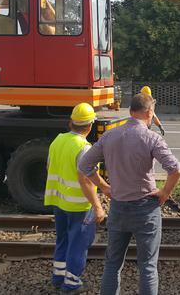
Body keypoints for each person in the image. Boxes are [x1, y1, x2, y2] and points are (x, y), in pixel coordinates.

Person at [78, 93, 180, 295]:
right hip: (146, 209)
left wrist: (105, 187)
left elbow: (85, 165)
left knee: (113, 264)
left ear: (131, 111)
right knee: (148, 266)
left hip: (118, 207)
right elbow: (175, 169)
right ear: (149, 112)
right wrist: (165, 192)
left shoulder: (109, 135)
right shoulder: (152, 138)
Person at [44, 102, 106, 293]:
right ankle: (71, 283)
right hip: (79, 206)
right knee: (78, 245)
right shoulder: (84, 148)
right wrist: (98, 206)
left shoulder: (58, 140)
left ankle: (58, 277)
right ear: (89, 126)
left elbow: (49, 167)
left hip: (59, 201)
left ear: (71, 122)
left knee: (62, 240)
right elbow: (86, 181)